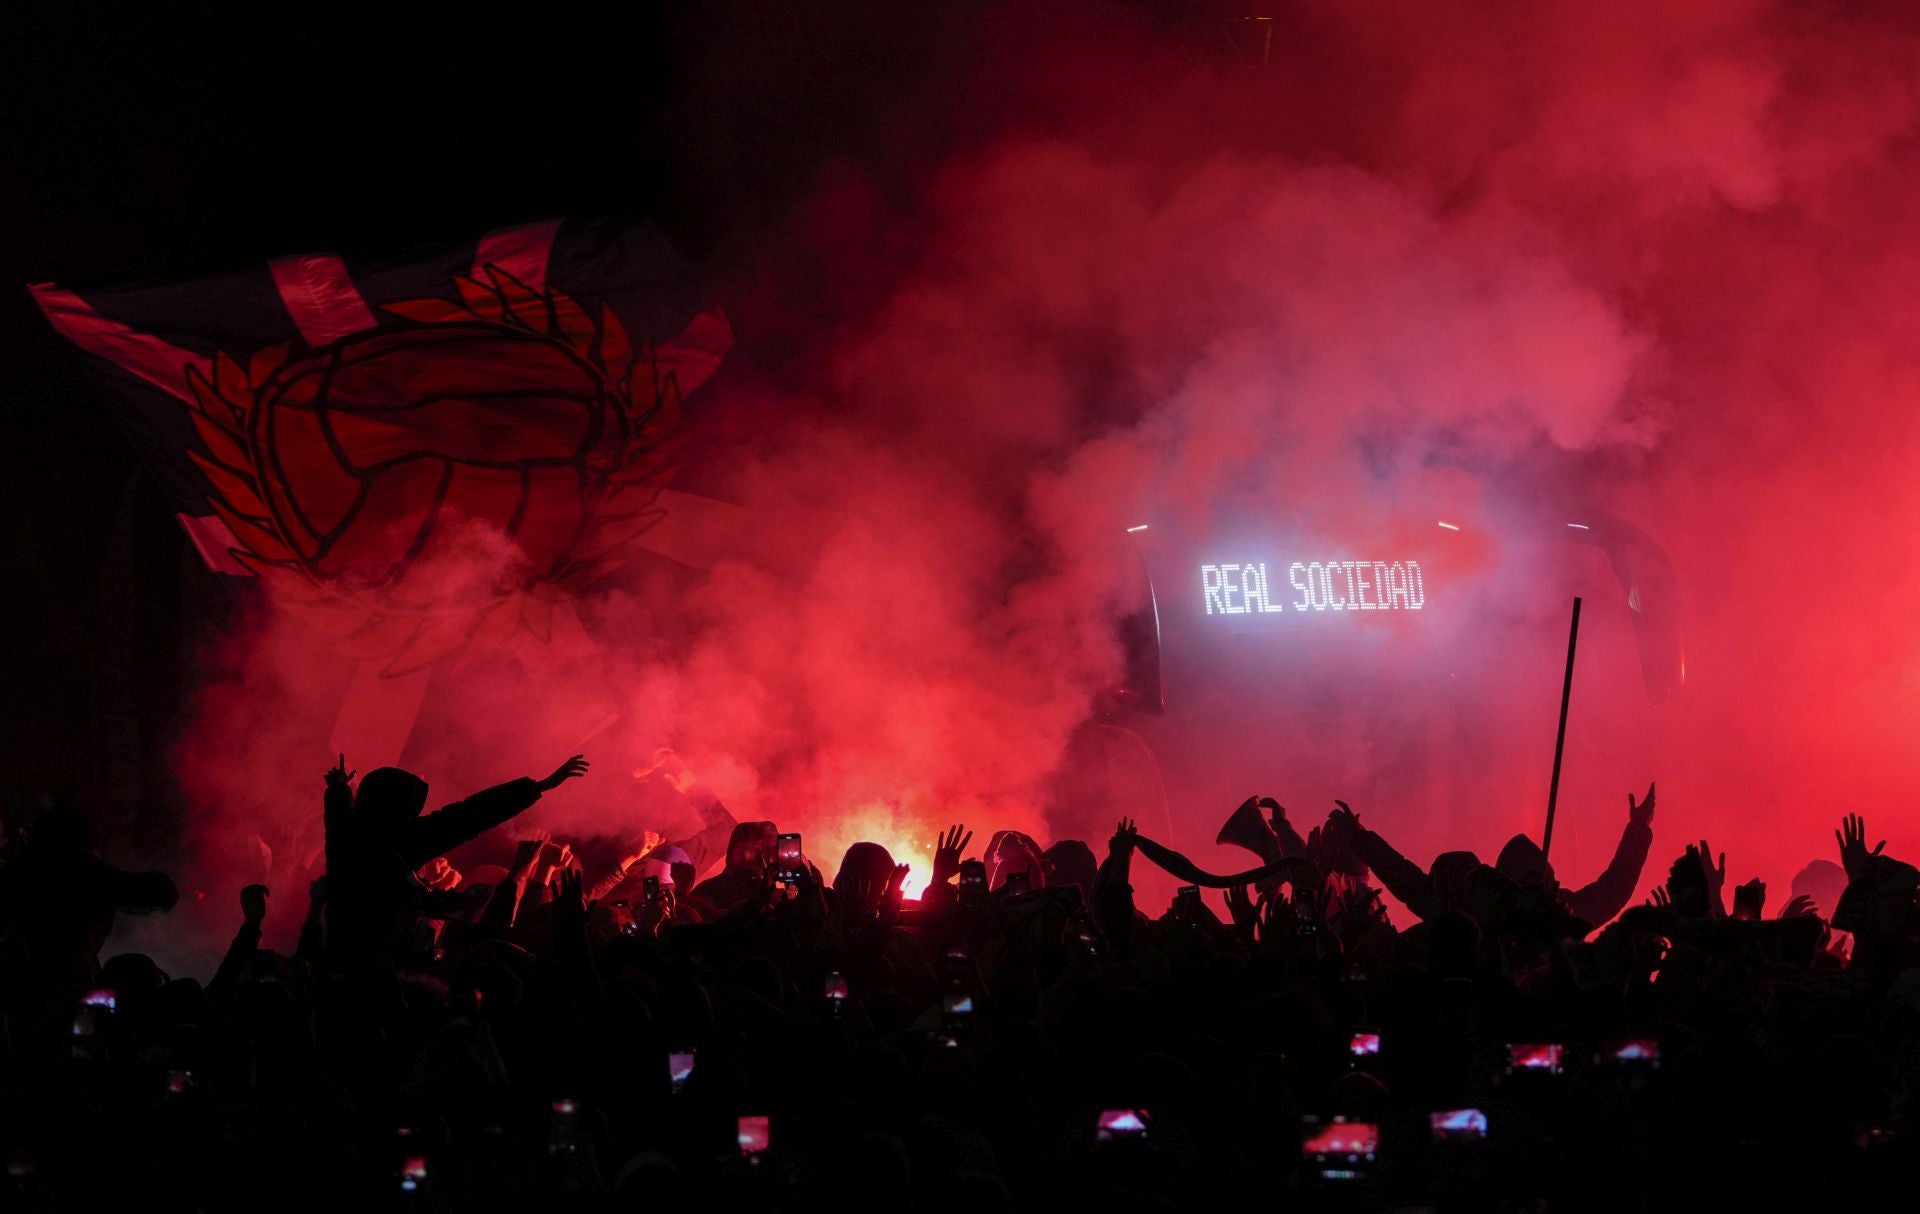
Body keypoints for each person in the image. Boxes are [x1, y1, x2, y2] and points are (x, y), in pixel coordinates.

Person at [321, 752, 590, 967]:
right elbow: (469, 816)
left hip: (332, 953)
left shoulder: (346, 830)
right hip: (370, 966)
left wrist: (338, 787)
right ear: (392, 807)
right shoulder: (396, 843)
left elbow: (338, 808)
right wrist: (538, 787)